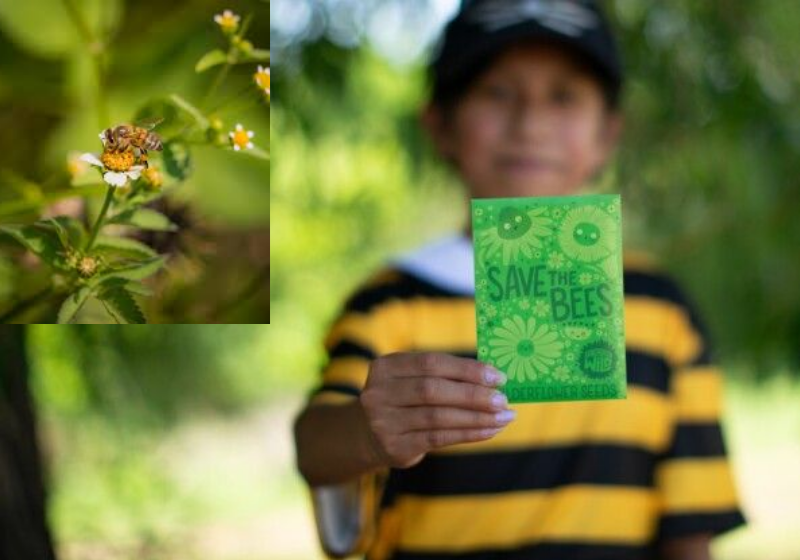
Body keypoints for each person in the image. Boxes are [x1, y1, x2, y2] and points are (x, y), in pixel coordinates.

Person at [294, 1, 746, 558]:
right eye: (496, 92)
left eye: (563, 95)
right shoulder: (387, 307)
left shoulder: (662, 310)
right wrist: (366, 432)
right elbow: (314, 448)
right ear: (440, 125)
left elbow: (690, 530)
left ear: (608, 134)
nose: (531, 123)